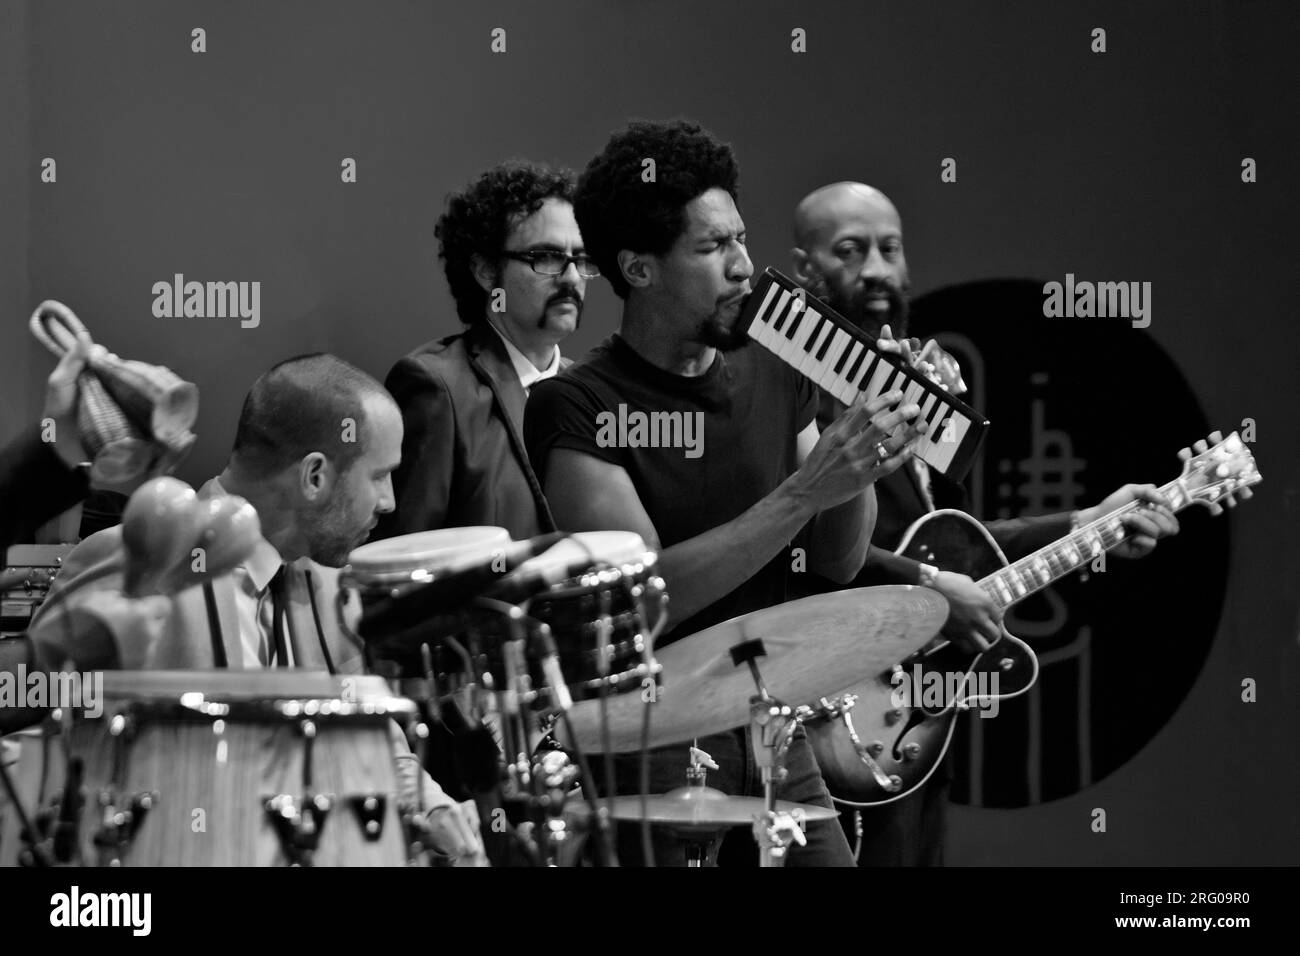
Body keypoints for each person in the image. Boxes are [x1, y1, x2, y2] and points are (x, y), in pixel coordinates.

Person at [524, 121, 926, 867]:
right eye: (713, 249)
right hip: (655, 743)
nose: (745, 267)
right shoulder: (576, 406)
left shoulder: (778, 369)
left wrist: (857, 459)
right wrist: (806, 490)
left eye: (741, 239)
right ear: (639, 270)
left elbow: (835, 564)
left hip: (777, 727)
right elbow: (645, 599)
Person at [789, 180, 1181, 864]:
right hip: (822, 715)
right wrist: (930, 588)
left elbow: (960, 548)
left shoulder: (929, 383)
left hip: (913, 725)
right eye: (851, 251)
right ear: (804, 269)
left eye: (890, 248)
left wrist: (1088, 522)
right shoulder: (788, 389)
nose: (877, 269)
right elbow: (794, 547)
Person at [9, 354, 483, 861]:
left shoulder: (329, 584)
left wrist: (430, 809)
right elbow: (22, 739)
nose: (389, 502)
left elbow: (370, 738)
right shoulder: (136, 555)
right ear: (315, 476)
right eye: (380, 475)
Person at [376, 160, 592, 542]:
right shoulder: (437, 387)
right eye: (546, 257)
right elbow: (404, 564)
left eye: (581, 259)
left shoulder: (589, 391)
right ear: (486, 272)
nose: (572, 277)